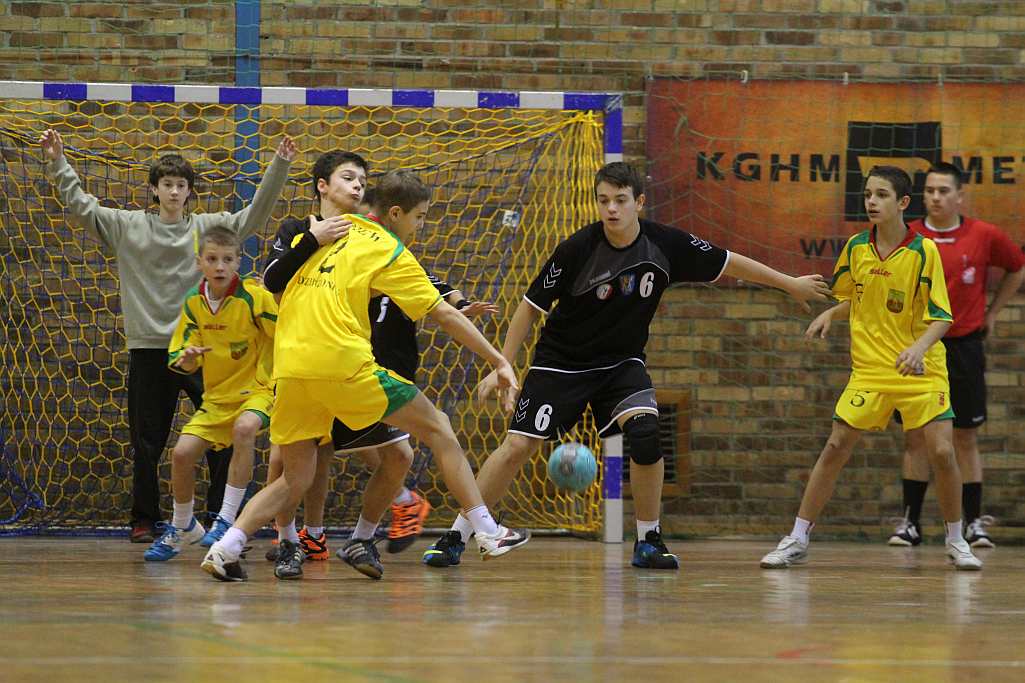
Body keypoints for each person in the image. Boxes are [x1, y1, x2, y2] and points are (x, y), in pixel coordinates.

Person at [423, 161, 831, 570]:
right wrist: (503, 366)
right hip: (561, 363)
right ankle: (457, 536)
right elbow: (530, 308)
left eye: (620, 200)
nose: (611, 209)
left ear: (639, 201)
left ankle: (649, 540)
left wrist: (789, 283)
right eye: (604, 201)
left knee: (647, 434)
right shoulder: (577, 249)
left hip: (621, 365)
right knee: (517, 446)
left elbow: (730, 262)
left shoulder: (665, 244)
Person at [201, 170, 530, 582]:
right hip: (341, 362)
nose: (421, 226)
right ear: (396, 213)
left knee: (295, 477)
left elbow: (275, 282)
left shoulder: (324, 233)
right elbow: (442, 312)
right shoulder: (385, 247)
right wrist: (499, 360)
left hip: (290, 365)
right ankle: (487, 530)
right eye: (421, 217)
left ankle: (226, 546)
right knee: (439, 427)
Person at [39, 129, 294, 542]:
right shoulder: (127, 227)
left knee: (224, 438)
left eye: (181, 185)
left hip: (206, 351)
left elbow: (254, 215)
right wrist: (57, 161)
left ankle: (219, 517)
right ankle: (144, 519)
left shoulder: (209, 230)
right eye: (167, 185)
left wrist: (279, 165)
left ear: (190, 192)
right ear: (154, 190)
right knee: (147, 441)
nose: (174, 191)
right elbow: (81, 206)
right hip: (149, 349)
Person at [261, 183, 499, 579]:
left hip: (364, 369)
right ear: (323, 184)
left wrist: (457, 303)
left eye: (361, 178)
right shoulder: (303, 233)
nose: (355, 184)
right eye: (347, 176)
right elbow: (273, 278)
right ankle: (290, 539)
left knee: (396, 454)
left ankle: (360, 536)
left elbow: (429, 285)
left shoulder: (380, 246)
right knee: (290, 460)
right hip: (316, 362)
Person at [761, 165, 982, 571]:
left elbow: (942, 317)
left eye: (881, 195)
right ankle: (797, 537)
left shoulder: (923, 251)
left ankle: (956, 539)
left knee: (942, 451)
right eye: (867, 195)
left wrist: (917, 348)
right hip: (871, 370)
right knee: (835, 446)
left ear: (902, 203)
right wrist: (833, 313)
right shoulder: (857, 248)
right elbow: (859, 298)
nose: (871, 202)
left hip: (921, 368)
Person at [887, 162, 1024, 549]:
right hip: (920, 349)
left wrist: (993, 313)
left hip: (963, 347)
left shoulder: (984, 234)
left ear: (959, 196)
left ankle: (973, 524)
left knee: (964, 437)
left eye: (943, 191)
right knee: (916, 437)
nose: (936, 197)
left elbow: (1016, 267)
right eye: (929, 190)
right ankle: (910, 523)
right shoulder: (909, 236)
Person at [143, 227, 276, 560]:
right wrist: (187, 359)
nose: (220, 266)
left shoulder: (255, 297)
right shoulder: (193, 302)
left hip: (257, 391)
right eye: (212, 259)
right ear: (199, 262)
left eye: (227, 260)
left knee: (244, 430)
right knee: (182, 454)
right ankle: (183, 526)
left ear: (238, 262)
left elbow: (286, 329)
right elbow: (179, 356)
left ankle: (226, 519)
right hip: (217, 398)